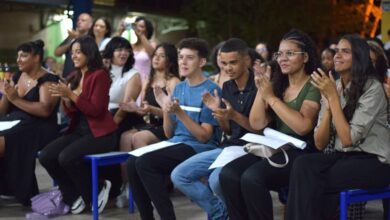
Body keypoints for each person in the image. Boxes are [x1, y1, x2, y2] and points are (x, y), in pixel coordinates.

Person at [219, 29, 322, 220]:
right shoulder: (278, 84)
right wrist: (262, 88)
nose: (282, 58)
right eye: (279, 54)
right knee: (227, 175)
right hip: (274, 146)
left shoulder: (314, 84)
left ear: (305, 57)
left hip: (301, 151)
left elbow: (303, 126)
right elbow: (256, 123)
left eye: (289, 54)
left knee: (252, 178)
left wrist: (271, 98)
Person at [285, 34, 390, 220]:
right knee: (302, 165)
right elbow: (319, 143)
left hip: (375, 162)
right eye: (337, 51)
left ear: (359, 57)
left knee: (311, 180)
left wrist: (332, 98)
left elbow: (348, 139)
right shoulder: (334, 86)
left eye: (345, 51)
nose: (337, 56)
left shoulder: (372, 88)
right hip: (344, 157)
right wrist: (328, 106)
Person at [126, 38, 221, 220]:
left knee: (145, 163)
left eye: (190, 58)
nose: (183, 62)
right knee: (132, 162)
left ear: (201, 62)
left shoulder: (211, 90)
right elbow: (170, 133)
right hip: (177, 142)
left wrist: (179, 112)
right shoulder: (179, 88)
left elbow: (204, 137)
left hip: (200, 148)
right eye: (180, 57)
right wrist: (165, 109)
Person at [171, 38, 259, 220]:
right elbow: (228, 131)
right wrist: (220, 115)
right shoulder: (227, 86)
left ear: (247, 60)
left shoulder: (259, 86)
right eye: (224, 63)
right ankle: (221, 214)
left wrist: (232, 115)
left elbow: (259, 130)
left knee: (216, 180)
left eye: (233, 63)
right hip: (230, 147)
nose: (227, 68)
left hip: (255, 148)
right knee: (179, 175)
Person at [39, 36, 117, 214]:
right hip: (80, 130)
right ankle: (74, 195)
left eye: (78, 52)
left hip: (101, 134)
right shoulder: (76, 75)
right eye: (72, 52)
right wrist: (66, 99)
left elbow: (96, 110)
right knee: (46, 156)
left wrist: (71, 95)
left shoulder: (100, 75)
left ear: (89, 53)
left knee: (66, 157)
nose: (73, 56)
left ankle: (97, 189)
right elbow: (74, 112)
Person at [0, 40, 60, 205]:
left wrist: (15, 98)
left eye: (24, 56)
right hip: (16, 123)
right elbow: (2, 112)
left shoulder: (49, 79)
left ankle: (17, 188)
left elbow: (44, 110)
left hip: (40, 127)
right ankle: (6, 188)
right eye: (18, 56)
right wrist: (6, 93)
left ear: (36, 58)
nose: (18, 60)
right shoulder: (18, 76)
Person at [120, 43, 180, 152]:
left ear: (170, 60)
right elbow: (144, 109)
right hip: (152, 125)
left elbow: (175, 114)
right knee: (125, 137)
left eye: (162, 56)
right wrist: (135, 108)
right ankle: (128, 169)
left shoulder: (173, 82)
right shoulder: (148, 81)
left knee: (139, 137)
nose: (156, 58)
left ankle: (145, 167)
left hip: (168, 127)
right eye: (155, 55)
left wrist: (151, 109)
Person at [54, 13, 93, 79]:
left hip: (81, 78)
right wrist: (71, 42)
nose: (79, 22)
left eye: (83, 20)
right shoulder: (71, 37)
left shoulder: (91, 39)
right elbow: (57, 52)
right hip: (66, 77)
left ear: (90, 25)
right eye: (78, 20)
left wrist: (77, 37)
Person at [131, 16, 157, 84]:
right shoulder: (131, 46)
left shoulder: (153, 44)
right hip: (131, 80)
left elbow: (152, 53)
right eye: (137, 26)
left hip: (144, 81)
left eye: (142, 26)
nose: (138, 28)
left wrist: (141, 35)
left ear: (147, 30)